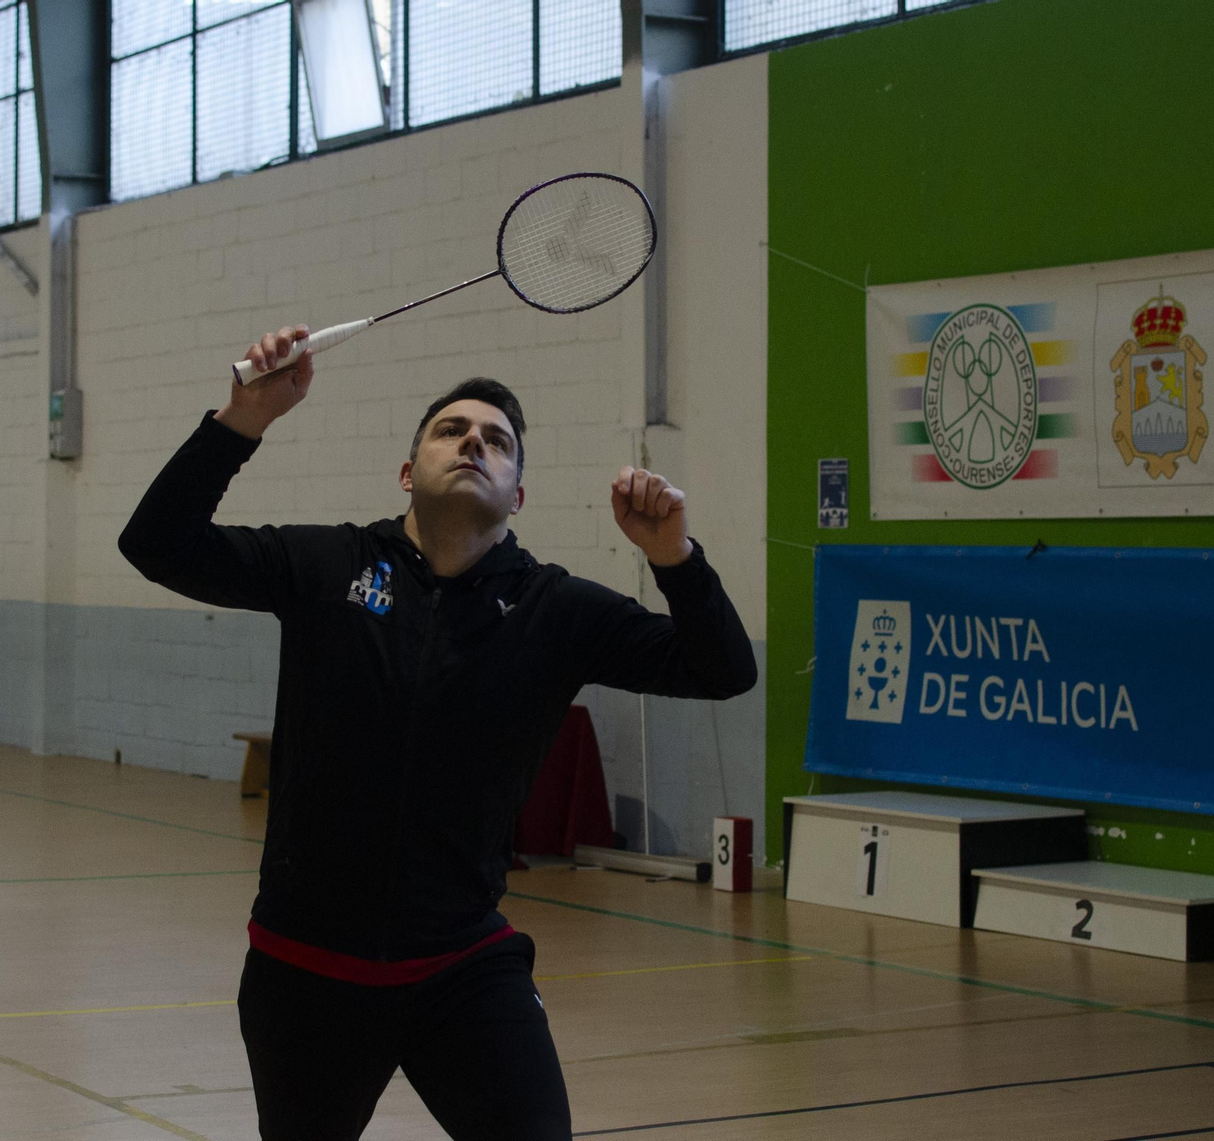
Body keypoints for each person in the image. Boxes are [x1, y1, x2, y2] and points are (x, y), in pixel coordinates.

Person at [118, 326, 757, 1141]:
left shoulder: (554, 610)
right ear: (406, 470)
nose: (473, 444)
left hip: (463, 971)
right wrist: (241, 419)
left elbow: (723, 670)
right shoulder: (324, 565)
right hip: (304, 971)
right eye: (452, 430)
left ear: (518, 492)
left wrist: (677, 559)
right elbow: (155, 544)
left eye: (497, 440)